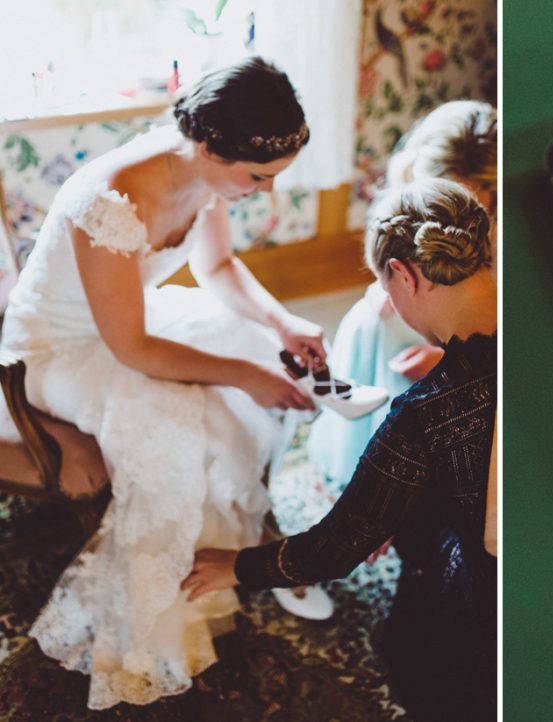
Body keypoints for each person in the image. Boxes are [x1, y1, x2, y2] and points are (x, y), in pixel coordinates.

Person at [0, 56, 346, 709]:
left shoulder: (206, 176)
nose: (265, 191)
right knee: (176, 428)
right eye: (258, 177)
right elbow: (130, 349)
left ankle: (231, 548)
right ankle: (151, 634)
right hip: (58, 350)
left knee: (252, 354)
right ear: (209, 145)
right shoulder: (110, 202)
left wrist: (282, 322)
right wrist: (245, 377)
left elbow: (217, 266)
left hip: (126, 321)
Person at [183, 178, 498, 721]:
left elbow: (336, 547)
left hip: (485, 600)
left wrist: (235, 565)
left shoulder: (425, 414)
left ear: (403, 275)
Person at [305, 100, 497, 493]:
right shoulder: (407, 203)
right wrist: (384, 290)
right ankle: (369, 456)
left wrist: (452, 364)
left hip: (482, 338)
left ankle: (406, 482)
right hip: (430, 315)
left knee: (400, 340)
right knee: (374, 320)